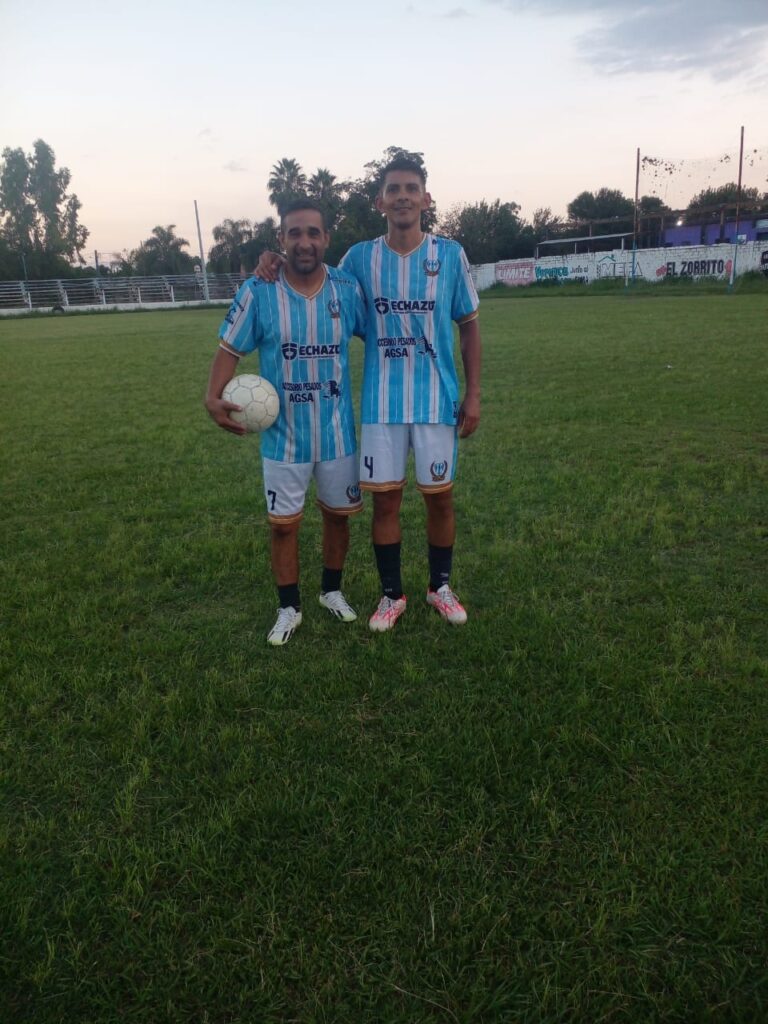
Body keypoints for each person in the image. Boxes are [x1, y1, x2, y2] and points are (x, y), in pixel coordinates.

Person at [258, 157, 481, 633]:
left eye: (411, 188)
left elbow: (469, 326)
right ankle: (391, 595)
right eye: (393, 189)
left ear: (426, 199)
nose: (403, 196)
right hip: (382, 405)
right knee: (386, 503)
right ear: (380, 202)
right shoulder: (360, 258)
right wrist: (274, 260)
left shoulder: (450, 254)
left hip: (437, 400)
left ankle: (439, 587)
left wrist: (474, 394)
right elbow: (316, 277)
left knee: (440, 500)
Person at [205, 199, 366, 646]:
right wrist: (211, 396)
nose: (304, 242)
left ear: (326, 238)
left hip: (336, 434)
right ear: (281, 240)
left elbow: (380, 333)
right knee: (282, 525)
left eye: (313, 232)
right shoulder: (259, 290)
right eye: (294, 233)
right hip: (283, 437)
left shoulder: (347, 289)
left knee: (338, 518)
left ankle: (331, 590)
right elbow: (229, 348)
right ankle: (289, 606)